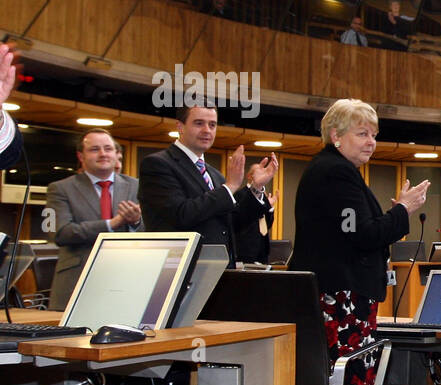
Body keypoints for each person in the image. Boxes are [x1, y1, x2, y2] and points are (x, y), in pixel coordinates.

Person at [288, 99, 429, 385]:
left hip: (327, 303)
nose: (371, 141)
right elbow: (365, 235)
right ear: (336, 136)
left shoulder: (329, 171)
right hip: (342, 305)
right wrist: (403, 210)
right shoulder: (335, 173)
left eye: (374, 133)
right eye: (362, 133)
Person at [139, 103, 275, 264]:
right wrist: (229, 187)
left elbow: (230, 225)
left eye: (212, 125)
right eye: (199, 123)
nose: (207, 130)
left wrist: (255, 188)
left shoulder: (214, 175)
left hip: (219, 271)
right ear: (180, 127)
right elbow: (181, 214)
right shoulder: (157, 164)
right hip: (179, 268)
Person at [46, 129, 142, 310]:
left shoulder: (136, 186)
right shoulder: (59, 189)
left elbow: (154, 233)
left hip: (126, 281)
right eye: (95, 149)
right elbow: (58, 233)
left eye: (108, 148)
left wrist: (136, 222)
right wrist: (111, 225)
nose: (103, 154)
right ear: (81, 156)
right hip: (76, 282)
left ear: (116, 154)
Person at [233, 189, 275, 264]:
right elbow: (238, 222)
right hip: (246, 248)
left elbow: (267, 225)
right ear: (250, 176)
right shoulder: (241, 194)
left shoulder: (264, 197)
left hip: (263, 248)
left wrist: (270, 208)